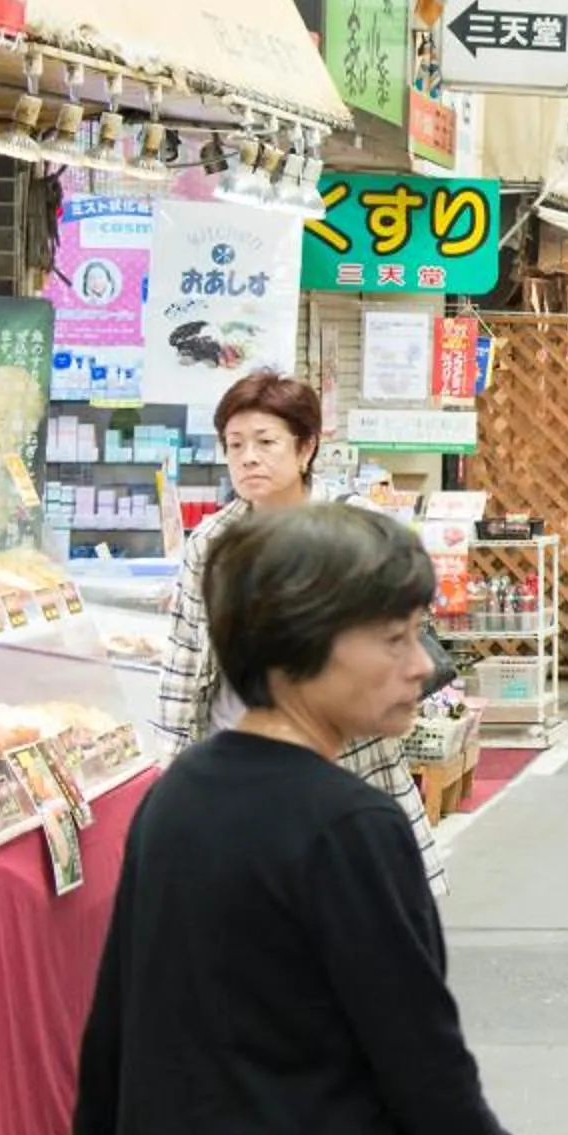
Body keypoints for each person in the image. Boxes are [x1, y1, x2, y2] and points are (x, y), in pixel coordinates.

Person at [75, 506, 552, 1135]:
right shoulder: (352, 825)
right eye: (394, 639)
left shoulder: (176, 796)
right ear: (298, 648)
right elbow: (417, 1052)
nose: (421, 666)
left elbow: (113, 1032)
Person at [157, 371, 441, 889]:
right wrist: (170, 772)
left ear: (306, 447)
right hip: (236, 749)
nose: (248, 458)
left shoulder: (353, 528)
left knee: (347, 896)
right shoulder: (212, 541)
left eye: (265, 443)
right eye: (235, 445)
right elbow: (183, 657)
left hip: (340, 754)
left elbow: (402, 625)